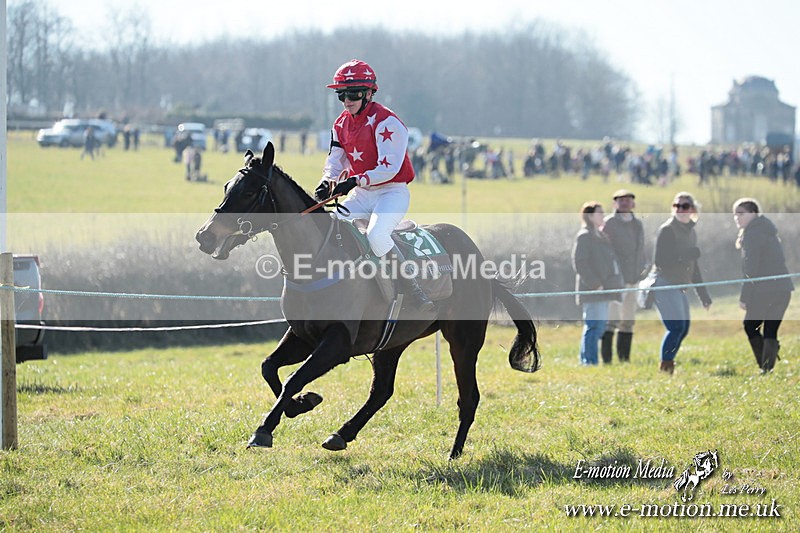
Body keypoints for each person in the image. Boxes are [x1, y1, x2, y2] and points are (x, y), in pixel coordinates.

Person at [314, 59, 433, 311]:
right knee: (328, 229)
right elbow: (335, 161)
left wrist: (355, 179)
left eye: (353, 93)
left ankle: (413, 290)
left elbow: (387, 168)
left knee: (377, 236)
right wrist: (327, 181)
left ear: (369, 93)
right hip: (361, 194)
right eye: (341, 94)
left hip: (391, 193)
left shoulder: (387, 122)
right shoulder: (339, 124)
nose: (347, 100)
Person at [652, 192, 712, 374]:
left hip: (680, 286)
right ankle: (666, 367)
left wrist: (703, 294)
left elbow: (694, 267)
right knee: (675, 327)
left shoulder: (690, 231)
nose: (680, 209)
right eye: (676, 206)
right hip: (664, 283)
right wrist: (685, 254)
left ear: (692, 209)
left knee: (683, 329)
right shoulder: (668, 229)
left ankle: (669, 362)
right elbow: (660, 260)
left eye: (684, 206)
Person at [733, 198, 794, 373]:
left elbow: (751, 268)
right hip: (783, 289)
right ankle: (767, 367)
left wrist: (745, 297)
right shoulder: (767, 230)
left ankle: (766, 366)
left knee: (750, 325)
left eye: (741, 213)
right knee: (770, 330)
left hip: (767, 290)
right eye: (735, 214)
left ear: (753, 213)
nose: (737, 218)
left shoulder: (753, 234)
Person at [572, 201, 622, 366]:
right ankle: (589, 362)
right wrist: (594, 284)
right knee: (594, 327)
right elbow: (580, 262)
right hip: (592, 290)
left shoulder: (601, 236)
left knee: (598, 327)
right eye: (600, 213)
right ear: (590, 216)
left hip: (604, 289)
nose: (603, 216)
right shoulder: (585, 235)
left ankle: (585, 360)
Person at [601, 189, 646, 363]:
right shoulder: (610, 223)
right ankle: (607, 360)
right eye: (621, 200)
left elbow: (641, 250)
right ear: (615, 204)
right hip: (616, 280)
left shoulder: (637, 224)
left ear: (633, 203)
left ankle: (624, 359)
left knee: (628, 320)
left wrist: (643, 268)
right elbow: (605, 251)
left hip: (634, 279)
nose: (625, 203)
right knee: (611, 320)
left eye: (628, 200)